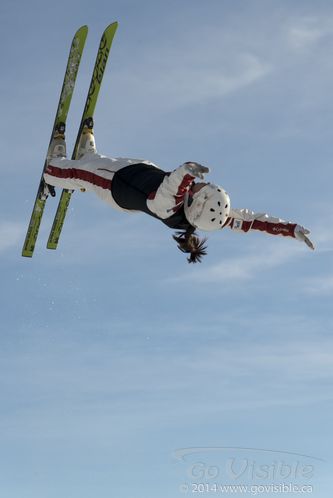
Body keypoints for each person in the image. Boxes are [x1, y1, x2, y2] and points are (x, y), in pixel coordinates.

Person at [43, 119, 315, 263]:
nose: (200, 184)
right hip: (137, 170)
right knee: (100, 163)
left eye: (200, 188)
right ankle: (87, 155)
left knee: (81, 174)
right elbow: (253, 222)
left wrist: (188, 170)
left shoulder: (168, 205)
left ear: (194, 203)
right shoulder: (214, 216)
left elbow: (175, 183)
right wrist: (291, 230)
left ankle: (55, 170)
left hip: (115, 185)